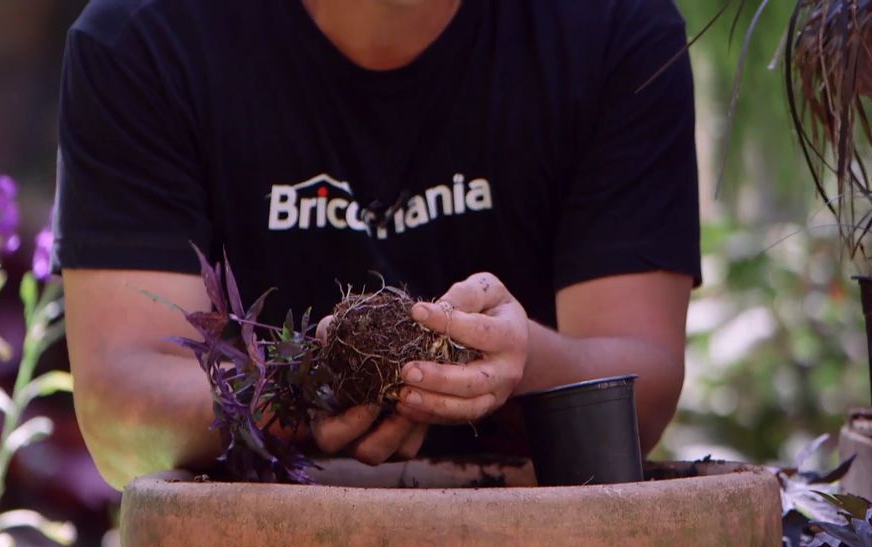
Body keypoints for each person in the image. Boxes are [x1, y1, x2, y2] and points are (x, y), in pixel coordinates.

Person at [57, 0, 701, 490]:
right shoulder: (142, 40)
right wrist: (301, 390)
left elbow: (641, 385)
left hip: (536, 544)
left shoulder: (614, 28)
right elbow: (121, 412)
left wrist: (516, 360)